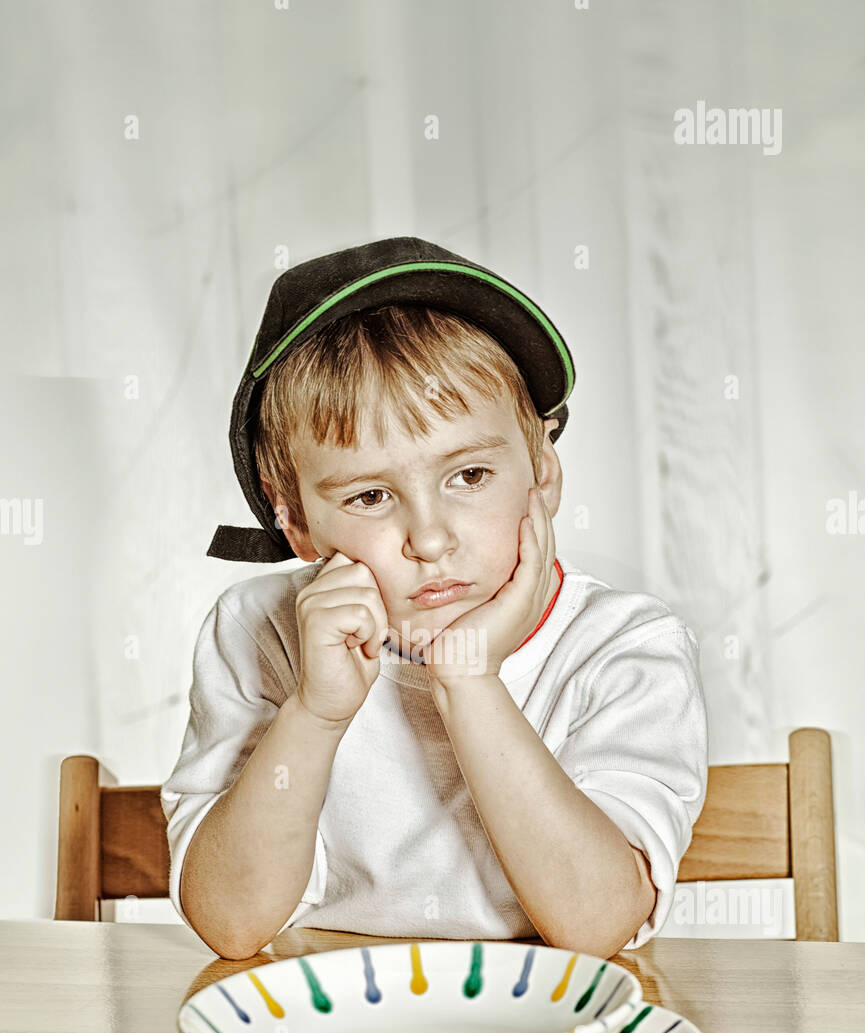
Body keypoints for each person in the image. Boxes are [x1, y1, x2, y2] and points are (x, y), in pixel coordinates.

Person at [161, 236, 708, 960]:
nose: (429, 536)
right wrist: (315, 713)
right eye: (371, 494)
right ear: (293, 518)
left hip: (554, 1032)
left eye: (470, 476)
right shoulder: (257, 633)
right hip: (335, 1028)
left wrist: (467, 679)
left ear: (542, 470)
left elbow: (597, 924)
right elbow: (232, 924)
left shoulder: (626, 648)